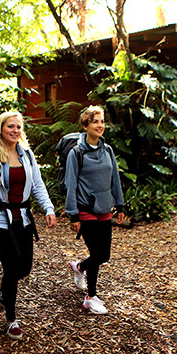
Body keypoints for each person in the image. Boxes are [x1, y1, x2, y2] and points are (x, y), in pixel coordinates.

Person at [0, 111, 57, 339]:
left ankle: (3, 285)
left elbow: (38, 185)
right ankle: (11, 318)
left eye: (18, 127)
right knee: (12, 268)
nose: (15, 131)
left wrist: (48, 208)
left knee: (24, 268)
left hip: (23, 218)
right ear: (1, 129)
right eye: (10, 126)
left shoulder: (27, 155)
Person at [64, 105, 124, 314]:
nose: (100, 125)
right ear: (85, 124)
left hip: (105, 207)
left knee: (104, 255)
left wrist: (120, 203)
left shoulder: (107, 150)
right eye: (95, 121)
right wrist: (73, 214)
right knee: (97, 253)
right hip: (85, 208)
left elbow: (114, 178)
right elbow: (70, 185)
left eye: (102, 121)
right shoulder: (77, 153)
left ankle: (79, 267)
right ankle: (90, 297)